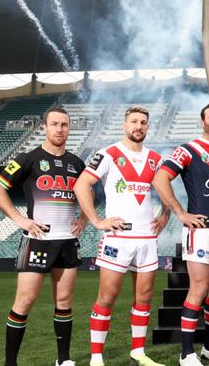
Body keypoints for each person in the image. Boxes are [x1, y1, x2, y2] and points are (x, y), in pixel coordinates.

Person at [73, 106, 171, 366]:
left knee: (145, 296)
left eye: (143, 122)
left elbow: (166, 191)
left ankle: (138, 353)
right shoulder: (108, 154)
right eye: (134, 122)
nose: (138, 126)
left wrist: (165, 215)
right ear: (125, 125)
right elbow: (81, 184)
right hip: (118, 238)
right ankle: (96, 357)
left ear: (148, 127)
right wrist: (96, 220)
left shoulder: (155, 158)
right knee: (107, 296)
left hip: (147, 238)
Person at [0, 106, 86, 366]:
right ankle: (11, 363)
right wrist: (20, 219)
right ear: (44, 127)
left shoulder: (77, 164)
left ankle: (63, 359)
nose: (59, 129)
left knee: (64, 301)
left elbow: (90, 195)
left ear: (69, 128)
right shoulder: (27, 158)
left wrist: (85, 218)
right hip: (38, 240)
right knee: (25, 300)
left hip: (67, 241)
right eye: (54, 124)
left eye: (64, 124)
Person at [154, 103, 209, 366]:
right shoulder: (188, 150)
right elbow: (160, 179)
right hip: (199, 229)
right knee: (199, 288)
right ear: (202, 121)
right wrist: (181, 213)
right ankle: (186, 353)